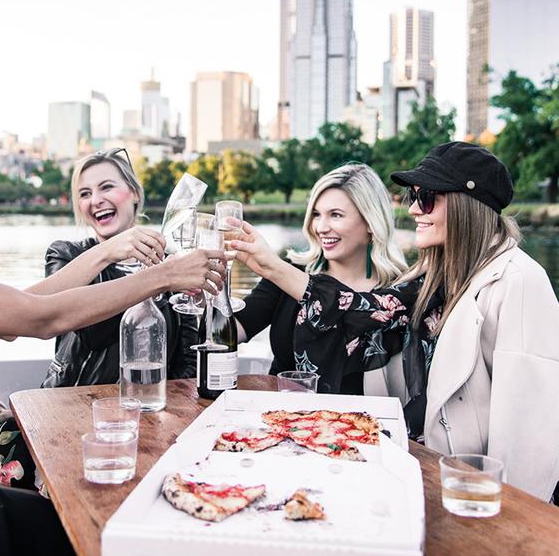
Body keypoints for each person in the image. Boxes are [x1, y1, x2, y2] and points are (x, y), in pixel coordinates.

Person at [234, 141, 559, 501]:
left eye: (428, 197)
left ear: (468, 205)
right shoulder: (433, 277)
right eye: (413, 197)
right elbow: (359, 310)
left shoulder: (519, 281)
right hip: (428, 471)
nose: (415, 209)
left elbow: (529, 432)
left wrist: (510, 518)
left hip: (476, 493)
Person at [0, 135, 224, 553]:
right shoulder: (65, 253)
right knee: (81, 525)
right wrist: (154, 273)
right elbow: (42, 318)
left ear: (135, 196)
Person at [234, 163, 408, 394]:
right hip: (278, 419)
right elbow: (230, 331)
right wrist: (205, 290)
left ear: (370, 222)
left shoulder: (397, 291)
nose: (321, 227)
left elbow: (344, 309)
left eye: (335, 215)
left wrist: (272, 266)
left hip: (357, 425)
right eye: (316, 214)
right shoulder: (292, 271)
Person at [40, 149, 197, 387]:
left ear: (134, 192)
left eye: (106, 187)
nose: (95, 200)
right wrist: (156, 281)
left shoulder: (171, 265)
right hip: (74, 403)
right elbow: (94, 333)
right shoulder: (66, 255)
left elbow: (187, 360)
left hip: (151, 407)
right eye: (85, 193)